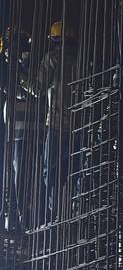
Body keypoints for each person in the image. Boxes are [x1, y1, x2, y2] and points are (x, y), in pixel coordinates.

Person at [23, 21, 77, 220]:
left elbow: (37, 89)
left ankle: (51, 216)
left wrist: (21, 75)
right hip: (78, 127)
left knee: (50, 173)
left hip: (56, 124)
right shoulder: (82, 59)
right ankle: (69, 213)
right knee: (69, 173)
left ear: (55, 41)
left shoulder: (53, 58)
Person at [0, 28, 37, 227]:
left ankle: (23, 219)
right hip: (16, 130)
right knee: (15, 176)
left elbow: (32, 91)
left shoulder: (27, 64)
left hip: (24, 130)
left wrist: (15, 70)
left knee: (22, 177)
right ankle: (16, 217)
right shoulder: (14, 65)